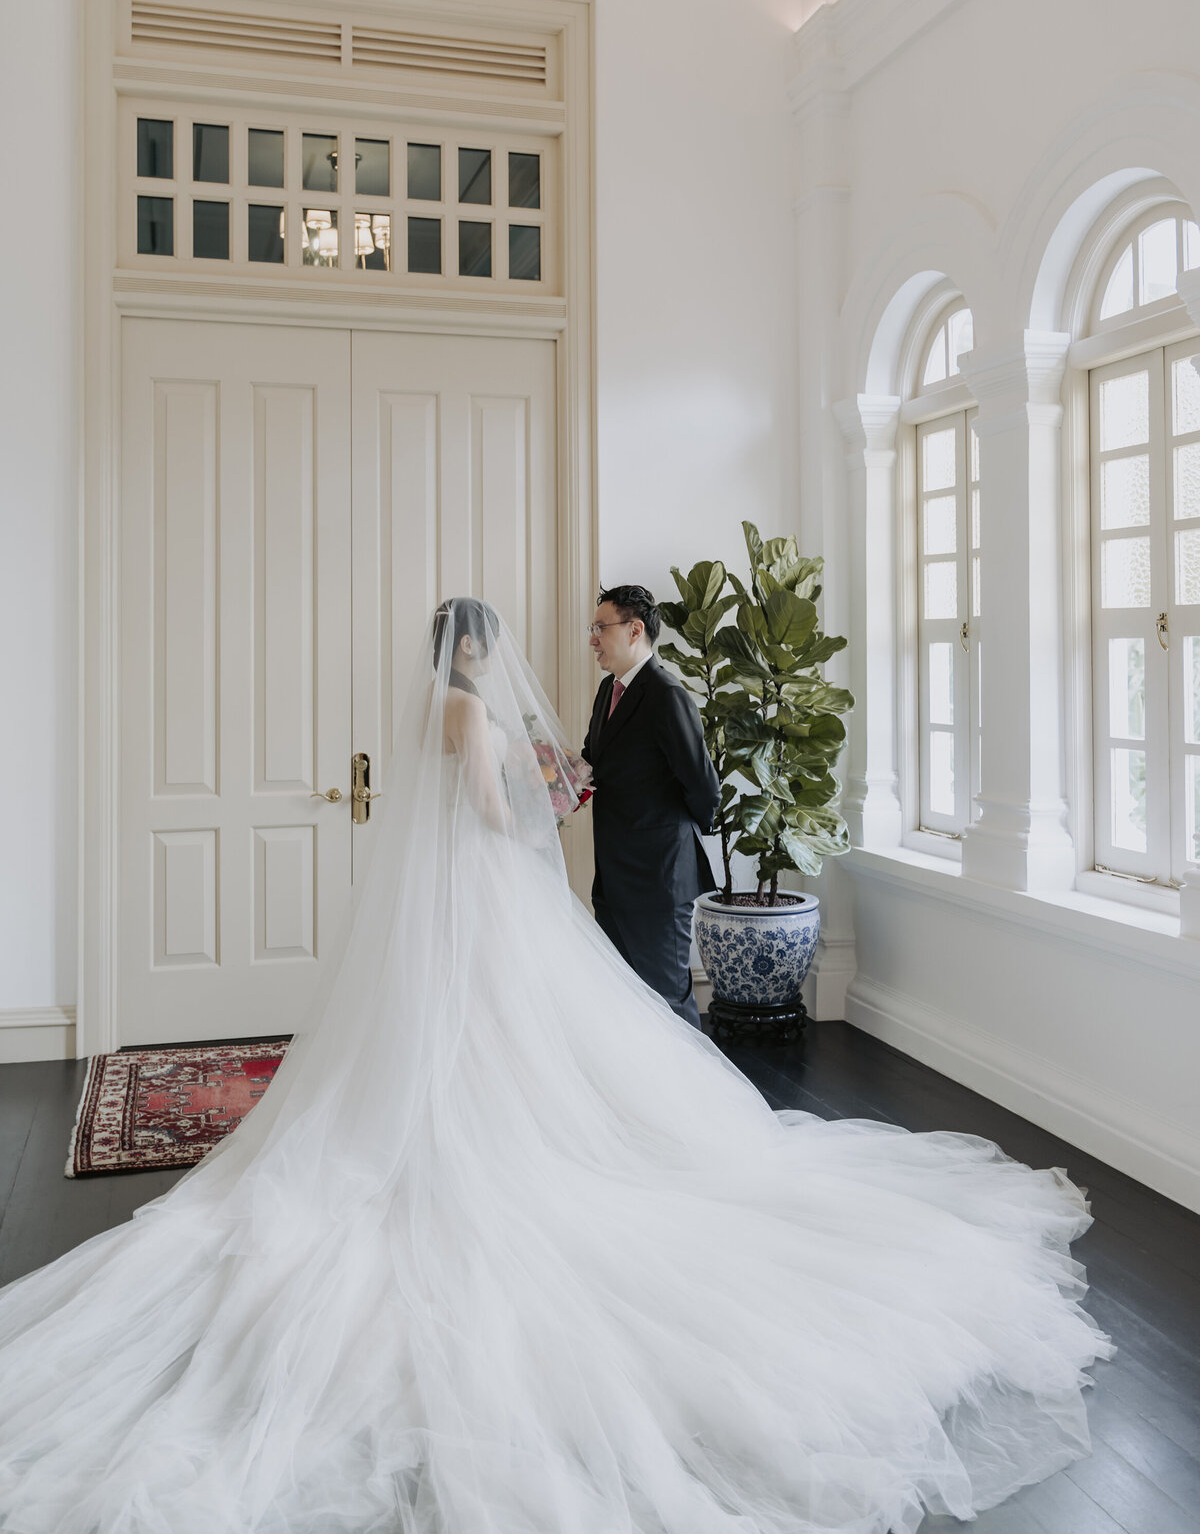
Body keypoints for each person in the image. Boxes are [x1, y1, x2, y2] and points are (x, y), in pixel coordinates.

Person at [0, 599, 1110, 1534]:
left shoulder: (442, 708)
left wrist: (549, 783)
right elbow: (491, 812)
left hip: (453, 909)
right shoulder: (476, 707)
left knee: (455, 1029)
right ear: (478, 650)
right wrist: (545, 795)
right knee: (531, 1025)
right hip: (491, 892)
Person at [582, 584, 720, 1026]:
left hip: (659, 882)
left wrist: (673, 836)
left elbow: (703, 786)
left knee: (668, 1004)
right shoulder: (608, 691)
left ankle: (696, 1096)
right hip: (613, 880)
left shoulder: (667, 695)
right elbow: (593, 763)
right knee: (621, 1002)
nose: (593, 640)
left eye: (600, 628)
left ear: (635, 629)